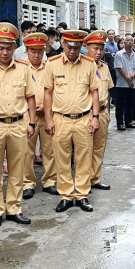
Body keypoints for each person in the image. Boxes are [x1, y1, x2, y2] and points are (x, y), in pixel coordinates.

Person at [43, 29, 100, 213]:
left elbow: (94, 92)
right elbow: (48, 93)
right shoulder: (52, 64)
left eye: (76, 47)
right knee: (62, 158)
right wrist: (48, 119)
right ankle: (66, 195)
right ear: (63, 44)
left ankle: (82, 194)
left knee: (84, 158)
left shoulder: (89, 64)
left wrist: (95, 117)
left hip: (84, 119)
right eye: (69, 47)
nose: (73, 51)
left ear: (81, 46)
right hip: (61, 119)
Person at [0, 22, 37, 228]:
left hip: (18, 124)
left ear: (14, 48)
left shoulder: (23, 69)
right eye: (0, 47)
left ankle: (14, 207)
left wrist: (32, 122)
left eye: (9, 48)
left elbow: (30, 97)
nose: (5, 52)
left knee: (18, 168)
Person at [22, 33, 58, 199]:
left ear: (44, 50)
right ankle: (27, 183)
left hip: (47, 115)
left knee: (49, 150)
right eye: (32, 51)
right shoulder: (21, 68)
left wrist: (47, 106)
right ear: (27, 51)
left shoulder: (51, 66)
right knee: (26, 152)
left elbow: (57, 90)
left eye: (39, 51)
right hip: (27, 117)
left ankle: (50, 181)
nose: (36, 55)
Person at [85, 30, 114, 191]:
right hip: (87, 113)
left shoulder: (104, 67)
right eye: (95, 48)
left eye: (101, 49)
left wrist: (108, 114)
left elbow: (108, 92)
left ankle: (94, 178)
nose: (98, 52)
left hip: (102, 112)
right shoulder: (81, 66)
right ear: (87, 47)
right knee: (85, 148)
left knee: (99, 147)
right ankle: (83, 181)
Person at [114, 34, 135, 131]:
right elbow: (119, 68)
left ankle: (129, 121)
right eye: (127, 40)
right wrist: (128, 79)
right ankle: (120, 123)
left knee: (131, 103)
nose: (129, 42)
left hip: (132, 83)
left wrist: (132, 77)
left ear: (133, 43)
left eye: (131, 41)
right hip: (122, 84)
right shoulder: (119, 54)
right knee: (120, 104)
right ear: (124, 43)